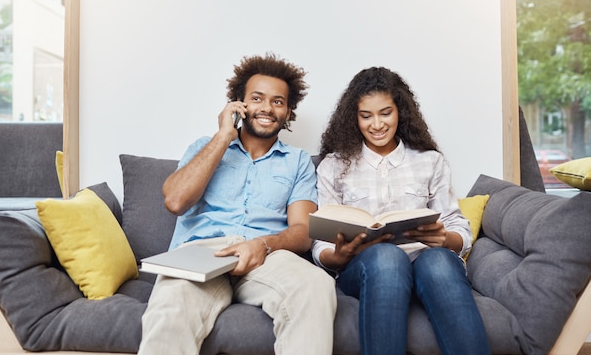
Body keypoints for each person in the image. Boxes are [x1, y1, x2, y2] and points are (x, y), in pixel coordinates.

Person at [138, 53, 337, 355]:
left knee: (315, 287)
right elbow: (175, 201)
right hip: (202, 253)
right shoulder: (206, 147)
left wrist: (264, 245)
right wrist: (223, 136)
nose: (267, 108)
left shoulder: (298, 162)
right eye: (257, 98)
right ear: (239, 104)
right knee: (171, 306)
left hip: (265, 257)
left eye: (278, 101)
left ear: (288, 112)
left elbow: (303, 230)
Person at [311, 66, 490, 355]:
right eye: (365, 116)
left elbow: (458, 228)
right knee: (386, 257)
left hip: (426, 262)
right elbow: (322, 241)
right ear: (353, 118)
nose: (377, 124)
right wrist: (338, 255)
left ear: (400, 112)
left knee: (439, 262)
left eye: (385, 113)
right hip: (366, 268)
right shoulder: (333, 165)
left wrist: (444, 239)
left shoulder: (430, 161)